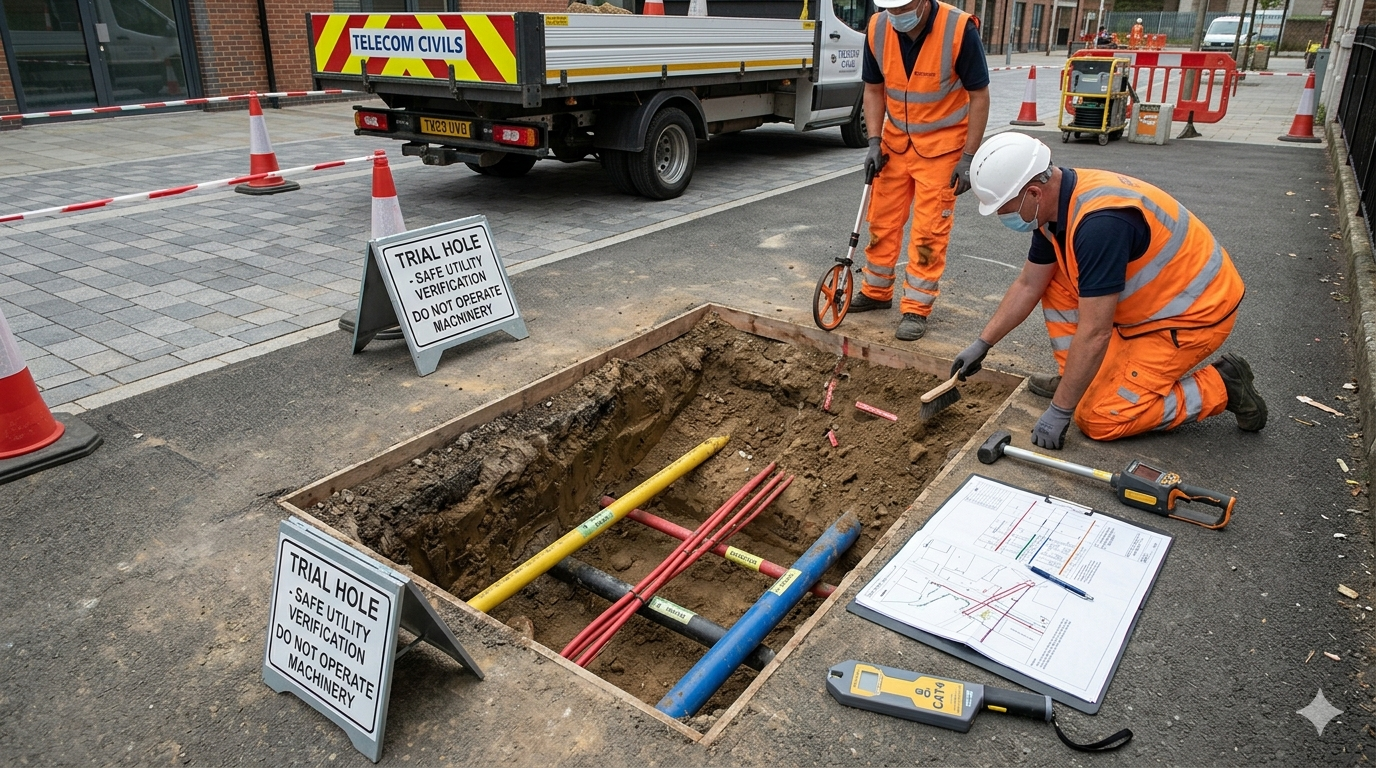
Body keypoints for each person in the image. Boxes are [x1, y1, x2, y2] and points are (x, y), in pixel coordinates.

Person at [949, 133, 1267, 449]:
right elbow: (1029, 284)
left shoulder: (1100, 224)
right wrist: (983, 343)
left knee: (1099, 419)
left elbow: (1095, 332)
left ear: (1033, 192)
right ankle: (1077, 380)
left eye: (1006, 210)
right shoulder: (1054, 207)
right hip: (1153, 303)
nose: (1006, 218)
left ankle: (1224, 385)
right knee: (1053, 281)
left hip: (1190, 316)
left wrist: (1060, 411)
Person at [852, 0, 990, 341]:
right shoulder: (878, 27)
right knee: (881, 220)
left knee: (929, 232)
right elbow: (873, 89)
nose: (897, 16)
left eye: (903, 8)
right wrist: (873, 141)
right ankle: (875, 290)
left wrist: (969, 157)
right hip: (895, 144)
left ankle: (916, 307)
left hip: (942, 151)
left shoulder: (959, 29)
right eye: (891, 9)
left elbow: (979, 95)